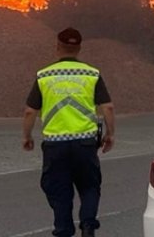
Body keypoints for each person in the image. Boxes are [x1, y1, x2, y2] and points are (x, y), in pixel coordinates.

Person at [23, 27, 115, 237]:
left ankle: (64, 230)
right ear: (79, 49)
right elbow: (107, 107)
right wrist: (110, 134)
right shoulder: (92, 74)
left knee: (58, 190)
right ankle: (88, 226)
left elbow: (30, 111)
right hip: (85, 144)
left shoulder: (44, 75)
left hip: (55, 145)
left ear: (57, 47)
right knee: (90, 187)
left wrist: (27, 136)